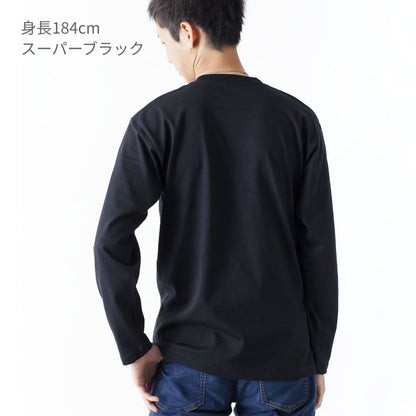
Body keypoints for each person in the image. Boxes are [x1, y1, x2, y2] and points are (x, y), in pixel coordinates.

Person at [93, 1, 339, 415]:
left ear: (187, 33)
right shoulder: (297, 120)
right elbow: (318, 246)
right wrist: (317, 355)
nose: (168, 57)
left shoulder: (157, 121)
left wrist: (133, 346)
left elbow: (110, 240)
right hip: (283, 358)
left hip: (187, 357)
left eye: (164, 42)